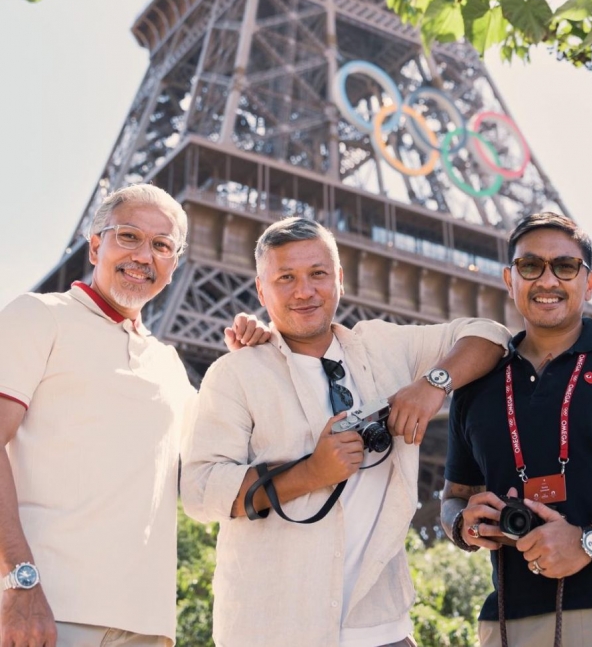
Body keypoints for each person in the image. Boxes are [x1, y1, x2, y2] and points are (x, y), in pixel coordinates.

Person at [180, 216, 511, 647]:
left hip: (383, 628)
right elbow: (201, 490)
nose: (304, 291)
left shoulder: (385, 348)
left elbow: (490, 334)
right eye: (286, 278)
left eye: (318, 274)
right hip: (274, 630)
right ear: (261, 291)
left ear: (340, 278)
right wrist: (310, 474)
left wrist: (433, 384)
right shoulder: (236, 373)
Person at [441, 212, 592, 647]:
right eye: (530, 266)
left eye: (565, 266)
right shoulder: (473, 388)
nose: (547, 280)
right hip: (511, 620)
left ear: (590, 282)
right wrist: (461, 527)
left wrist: (588, 541)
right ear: (510, 279)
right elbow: (453, 497)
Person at [0, 185, 195, 647]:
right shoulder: (39, 316)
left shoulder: (169, 365)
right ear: (95, 245)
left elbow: (221, 465)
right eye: (128, 236)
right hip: (47, 612)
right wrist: (18, 581)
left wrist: (255, 357)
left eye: (162, 245)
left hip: (147, 629)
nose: (144, 255)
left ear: (174, 263)